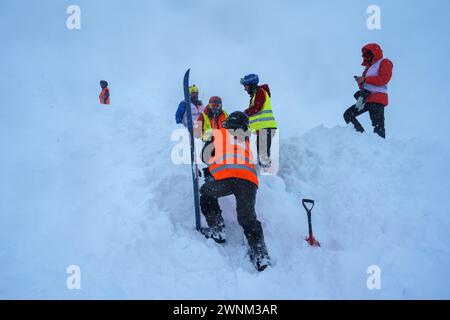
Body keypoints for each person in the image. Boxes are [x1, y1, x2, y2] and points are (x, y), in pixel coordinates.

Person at [199, 111, 271, 272]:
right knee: (248, 218)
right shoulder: (245, 140)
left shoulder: (218, 133)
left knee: (206, 193)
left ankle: (217, 230)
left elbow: (204, 156)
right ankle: (260, 254)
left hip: (224, 178)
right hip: (249, 181)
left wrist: (210, 168)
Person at [343, 43, 394, 138]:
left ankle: (380, 148)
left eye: (368, 54)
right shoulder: (368, 68)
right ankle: (362, 138)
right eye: (365, 55)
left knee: (378, 127)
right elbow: (365, 84)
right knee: (348, 115)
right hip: (366, 99)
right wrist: (360, 81)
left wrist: (365, 79)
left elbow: (383, 79)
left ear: (375, 53)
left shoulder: (385, 62)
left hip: (377, 99)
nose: (367, 57)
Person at [240, 74, 278, 168]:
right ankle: (265, 173)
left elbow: (257, 108)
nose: (245, 88)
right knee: (261, 153)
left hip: (265, 127)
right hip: (262, 129)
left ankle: (268, 175)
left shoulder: (260, 92)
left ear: (252, 84)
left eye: (246, 85)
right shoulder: (254, 95)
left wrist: (243, 114)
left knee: (263, 154)